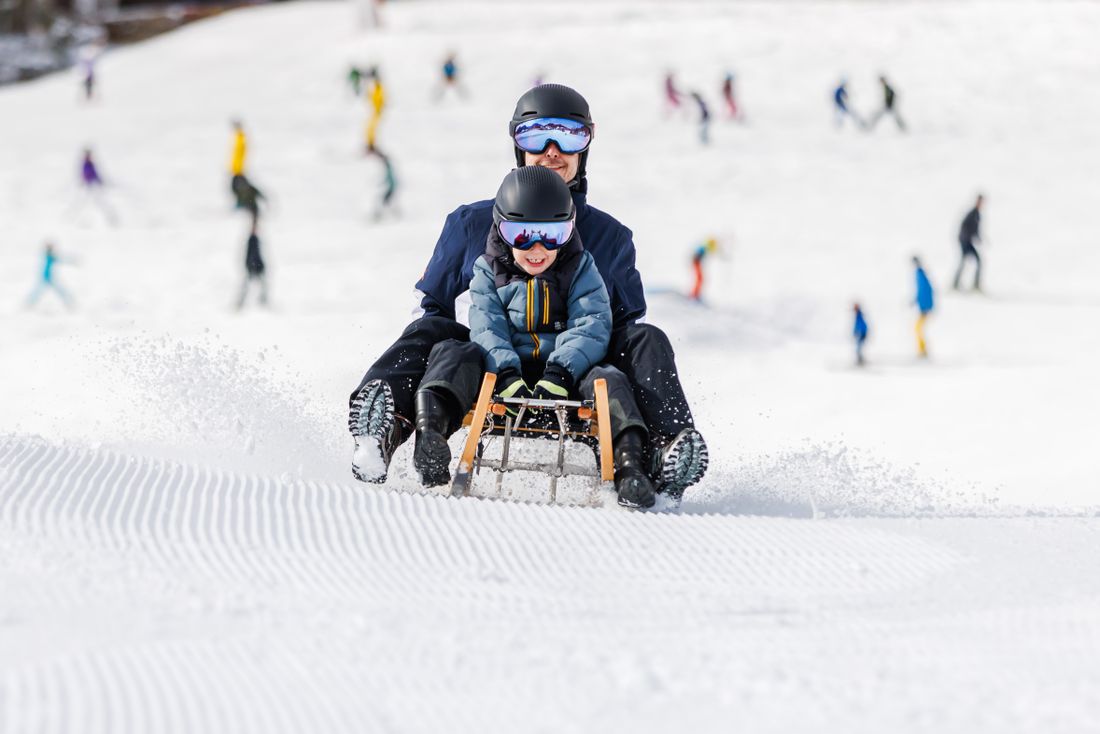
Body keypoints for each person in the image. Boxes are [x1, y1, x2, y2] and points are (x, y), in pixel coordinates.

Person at [348, 84, 708, 500]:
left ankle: (666, 452)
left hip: (579, 374)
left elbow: (624, 326)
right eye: (537, 137)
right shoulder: (471, 223)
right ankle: (381, 428)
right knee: (432, 329)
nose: (552, 151)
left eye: (569, 137)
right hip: (485, 364)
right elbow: (432, 305)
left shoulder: (610, 238)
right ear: (518, 145)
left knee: (647, 339)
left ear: (585, 146)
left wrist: (578, 363)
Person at [409, 167, 656, 508]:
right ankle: (430, 436)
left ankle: (631, 467)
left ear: (569, 232)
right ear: (500, 229)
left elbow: (592, 323)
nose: (537, 248)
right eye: (521, 234)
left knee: (611, 380)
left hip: (567, 377)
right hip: (500, 375)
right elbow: (486, 325)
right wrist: (506, 371)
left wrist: (561, 372)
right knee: (453, 352)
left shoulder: (581, 269)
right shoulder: (487, 270)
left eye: (552, 235)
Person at [26, 243, 73, 309]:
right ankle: (29, 303)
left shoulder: (48, 256)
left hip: (47, 277)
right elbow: (61, 259)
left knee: (38, 291)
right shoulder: (50, 257)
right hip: (47, 277)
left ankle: (29, 303)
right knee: (59, 291)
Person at [954, 194, 984, 292]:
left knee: (976, 261)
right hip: (964, 241)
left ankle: (975, 284)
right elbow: (964, 226)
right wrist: (966, 238)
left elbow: (975, 230)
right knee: (963, 262)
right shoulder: (972, 213)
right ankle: (955, 284)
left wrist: (978, 237)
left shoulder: (977, 214)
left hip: (968, 241)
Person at [237, 223, 268, 309]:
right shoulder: (252, 240)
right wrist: (250, 264)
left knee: (261, 284)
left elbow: (258, 254)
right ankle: (242, 301)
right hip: (253, 265)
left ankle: (263, 300)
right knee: (248, 284)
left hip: (256, 265)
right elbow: (251, 254)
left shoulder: (256, 239)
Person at [912, 256, 934, 358]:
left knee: (918, 328)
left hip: (924, 307)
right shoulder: (921, 274)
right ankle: (922, 349)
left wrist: (924, 304)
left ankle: (923, 350)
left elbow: (924, 291)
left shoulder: (920, 274)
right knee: (918, 328)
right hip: (924, 305)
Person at [368, 148, 398, 219]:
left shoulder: (389, 169)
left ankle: (384, 215)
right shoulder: (389, 169)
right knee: (385, 201)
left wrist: (382, 183)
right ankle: (392, 214)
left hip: (391, 188)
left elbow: (389, 179)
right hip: (391, 187)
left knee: (385, 201)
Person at [366, 68, 386, 151]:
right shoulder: (376, 88)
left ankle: (371, 144)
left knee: (372, 127)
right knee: (370, 127)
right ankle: (370, 143)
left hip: (377, 110)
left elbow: (380, 99)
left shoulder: (378, 88)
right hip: (375, 110)